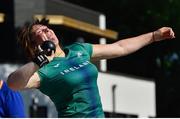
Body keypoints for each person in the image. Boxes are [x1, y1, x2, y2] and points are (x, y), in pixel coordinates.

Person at [7, 19, 175, 117]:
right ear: (36, 46)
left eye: (47, 28)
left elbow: (120, 47)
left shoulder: (78, 50)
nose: (48, 32)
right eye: (41, 33)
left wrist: (153, 36)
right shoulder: (43, 71)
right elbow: (13, 83)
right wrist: (40, 60)